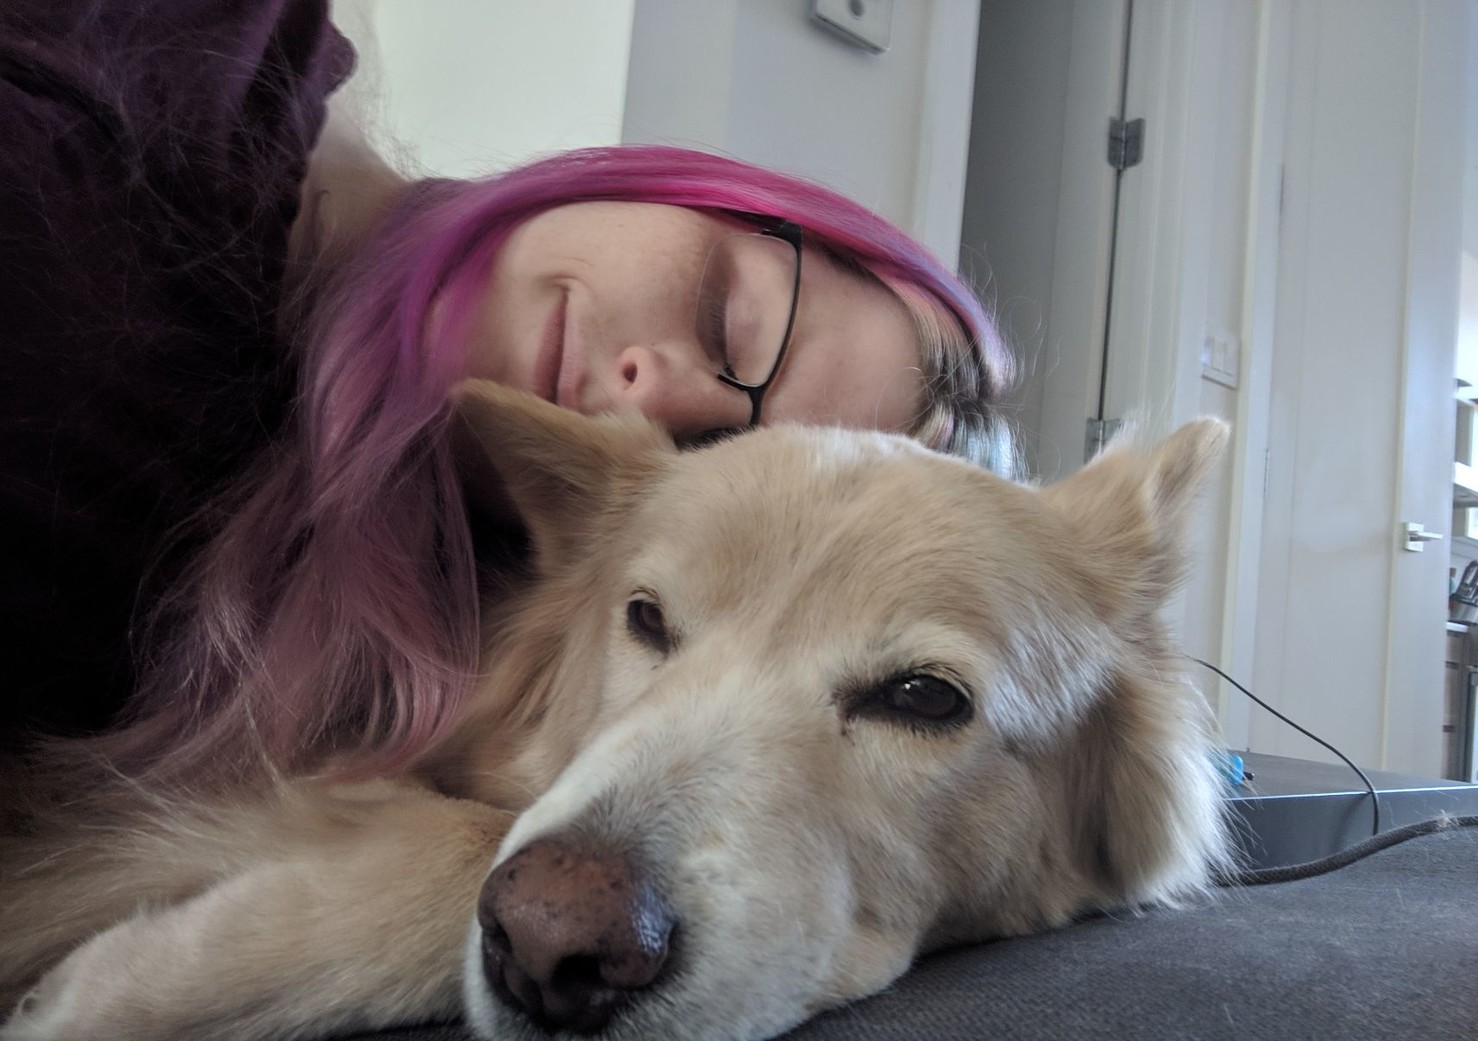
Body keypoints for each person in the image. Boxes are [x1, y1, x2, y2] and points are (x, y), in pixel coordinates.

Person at [0, 0, 1013, 785]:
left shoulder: (346, 696)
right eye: (723, 319)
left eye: (696, 461)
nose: (645, 397)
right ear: (701, 190)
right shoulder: (213, 44)